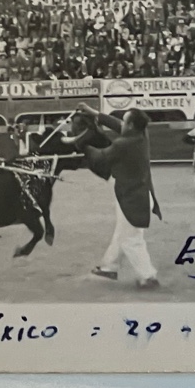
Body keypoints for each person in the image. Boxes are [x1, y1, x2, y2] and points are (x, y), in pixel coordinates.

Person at [77, 103, 162, 289]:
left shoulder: (123, 144)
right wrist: (94, 113)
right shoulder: (141, 134)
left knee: (131, 238)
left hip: (131, 197)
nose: (121, 123)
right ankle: (109, 267)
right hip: (139, 193)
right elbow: (116, 124)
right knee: (124, 232)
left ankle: (148, 276)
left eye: (124, 121)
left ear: (130, 125)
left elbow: (99, 158)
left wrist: (83, 143)